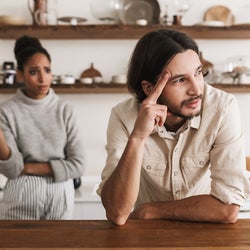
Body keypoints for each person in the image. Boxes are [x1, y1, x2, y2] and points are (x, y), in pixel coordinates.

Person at [97, 29, 250, 225]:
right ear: (150, 88)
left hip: (204, 231)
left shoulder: (222, 107)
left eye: (198, 73)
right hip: (147, 238)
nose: (196, 90)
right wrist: (137, 138)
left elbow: (227, 209)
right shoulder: (123, 116)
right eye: (179, 80)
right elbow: (117, 213)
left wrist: (151, 210)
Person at [0, 35, 85, 219]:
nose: (42, 78)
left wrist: (28, 168)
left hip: (60, 195)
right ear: (20, 74)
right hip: (20, 197)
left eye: (47, 70)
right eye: (33, 72)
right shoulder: (6, 111)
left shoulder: (65, 110)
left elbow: (78, 165)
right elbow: (12, 168)